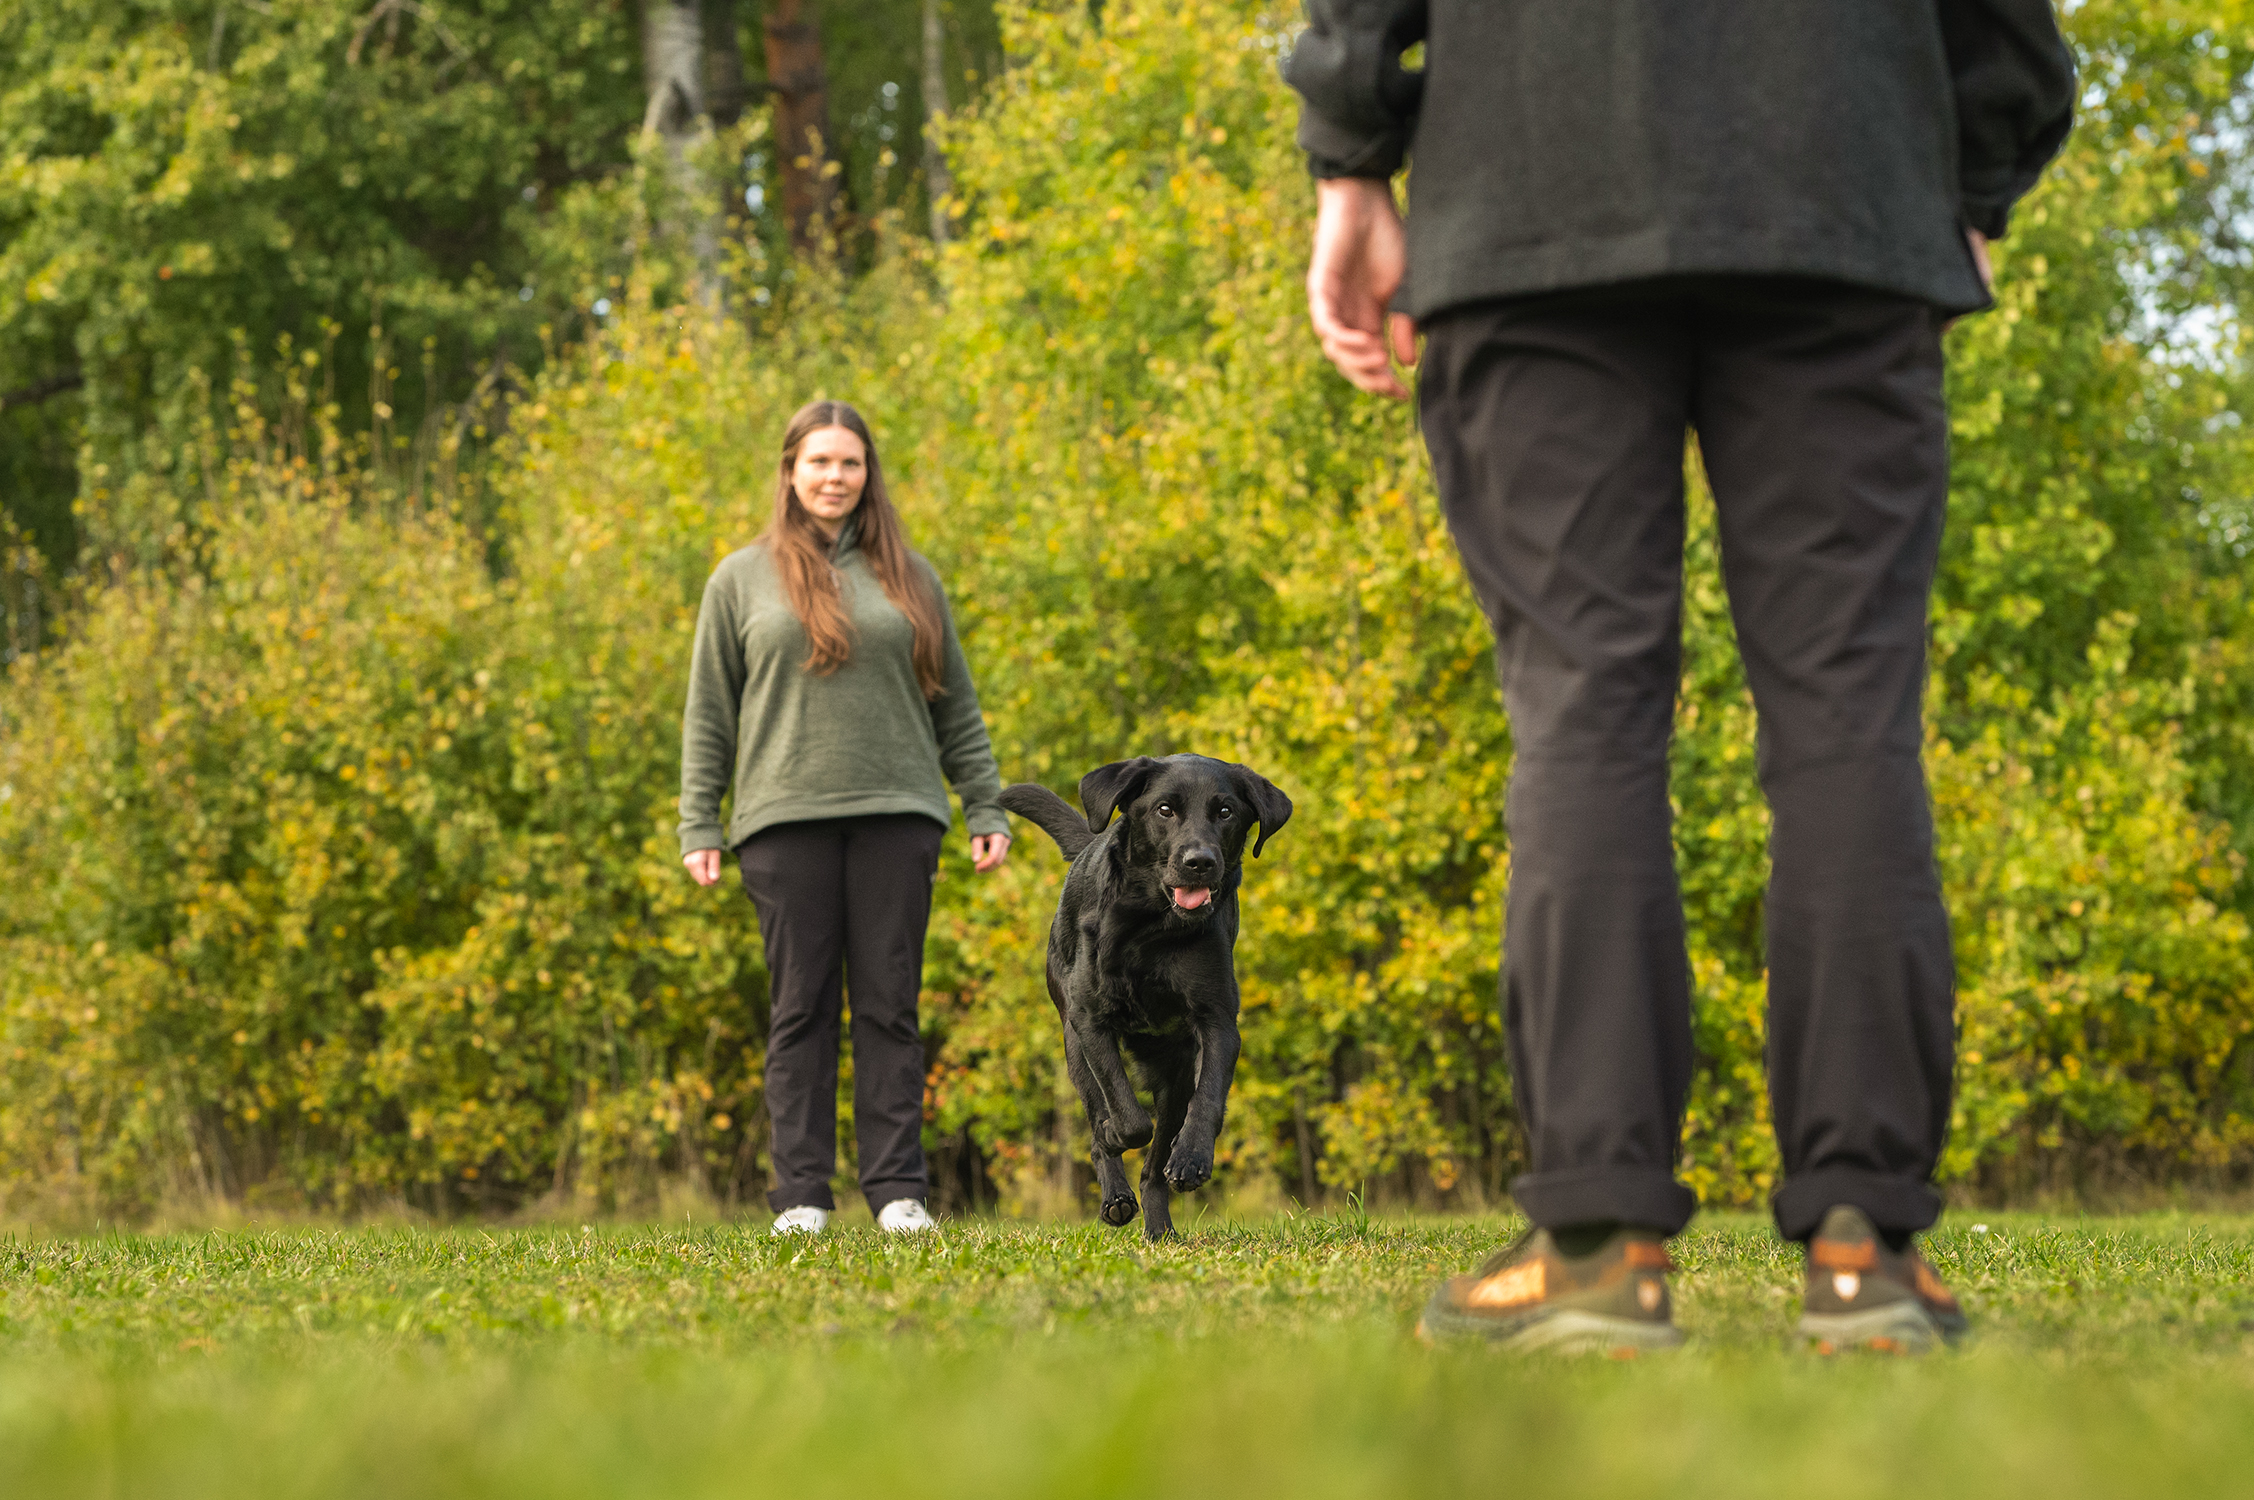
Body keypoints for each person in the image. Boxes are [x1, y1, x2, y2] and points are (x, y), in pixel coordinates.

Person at [1286, 3, 2075, 1351]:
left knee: (1581, 710)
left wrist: (1350, 153)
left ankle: (1598, 1248)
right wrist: (1972, 178)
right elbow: (2006, 30)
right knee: (1846, 715)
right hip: (1840, 196)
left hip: (1532, 189)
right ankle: (1863, 1252)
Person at [679, 399, 1012, 1236]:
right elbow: (709, 712)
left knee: (890, 1007)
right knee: (801, 1011)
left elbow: (956, 703)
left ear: (869, 474)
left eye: (850, 462)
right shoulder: (739, 579)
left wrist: (984, 800)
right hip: (782, 818)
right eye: (820, 461)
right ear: (790, 471)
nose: (835, 477)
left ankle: (898, 1192)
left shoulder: (912, 577)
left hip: (899, 813)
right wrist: (698, 821)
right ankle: (800, 1196)